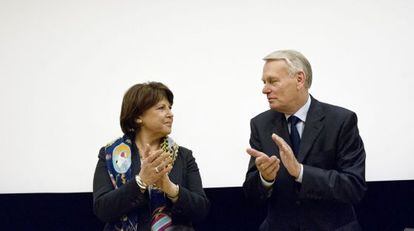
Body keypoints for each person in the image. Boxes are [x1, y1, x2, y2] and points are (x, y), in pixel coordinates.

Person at [243, 50, 367, 230]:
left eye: (273, 81)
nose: (265, 89)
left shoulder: (341, 121)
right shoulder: (260, 124)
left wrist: (301, 172)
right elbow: (251, 195)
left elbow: (353, 187)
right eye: (264, 82)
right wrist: (265, 179)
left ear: (300, 79)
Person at [93, 82, 209, 231]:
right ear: (138, 117)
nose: (170, 114)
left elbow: (201, 211)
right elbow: (102, 210)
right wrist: (141, 182)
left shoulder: (184, 156)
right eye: (161, 108)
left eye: (170, 108)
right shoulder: (109, 154)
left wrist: (171, 189)